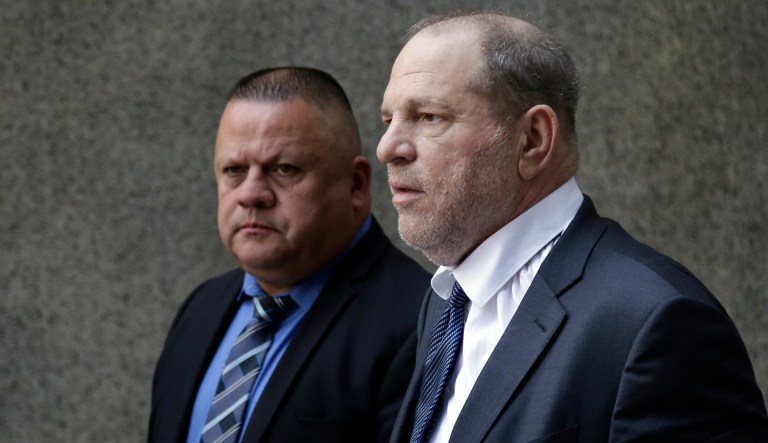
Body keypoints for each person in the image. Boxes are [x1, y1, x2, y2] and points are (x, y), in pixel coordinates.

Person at [376, 11, 768, 443]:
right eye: (388, 120)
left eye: (429, 116)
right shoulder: (447, 301)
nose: (387, 147)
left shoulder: (654, 322)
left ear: (533, 139)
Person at [149, 67, 430, 443]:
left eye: (283, 169)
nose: (251, 194)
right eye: (234, 170)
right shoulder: (201, 307)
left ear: (356, 184)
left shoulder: (422, 324)